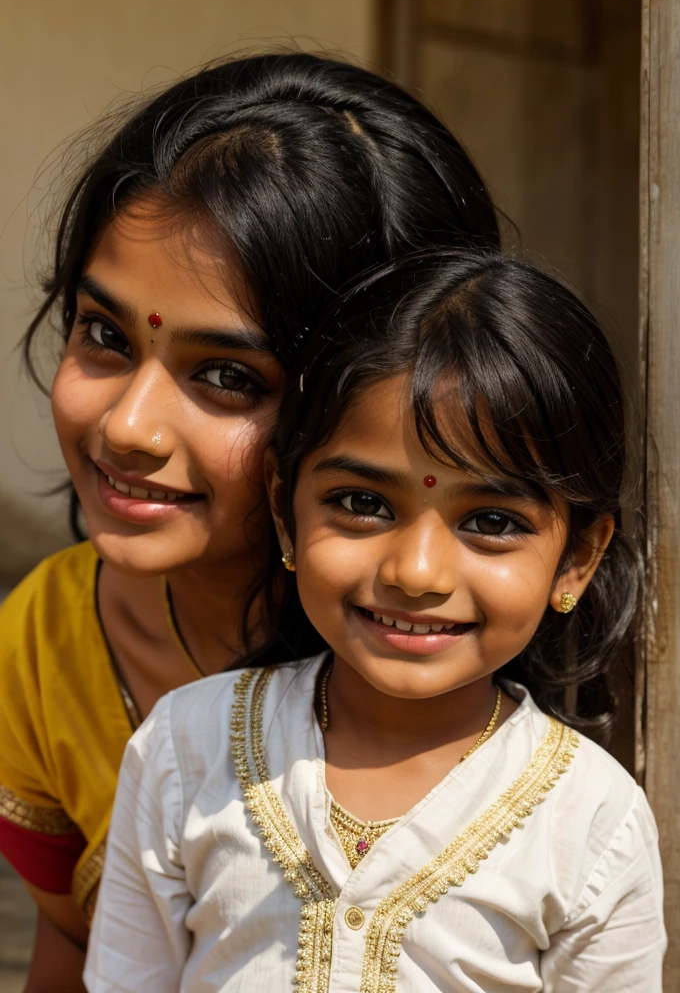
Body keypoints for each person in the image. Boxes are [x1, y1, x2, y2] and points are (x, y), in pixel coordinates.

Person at [0, 54, 500, 990]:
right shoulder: (40, 643)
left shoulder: (457, 670)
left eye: (228, 376)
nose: (128, 426)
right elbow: (70, 943)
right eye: (105, 334)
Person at [86, 251, 665, 992]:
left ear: (577, 559)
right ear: (283, 509)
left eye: (490, 521)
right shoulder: (184, 750)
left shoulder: (591, 821)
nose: (414, 573)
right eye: (362, 503)